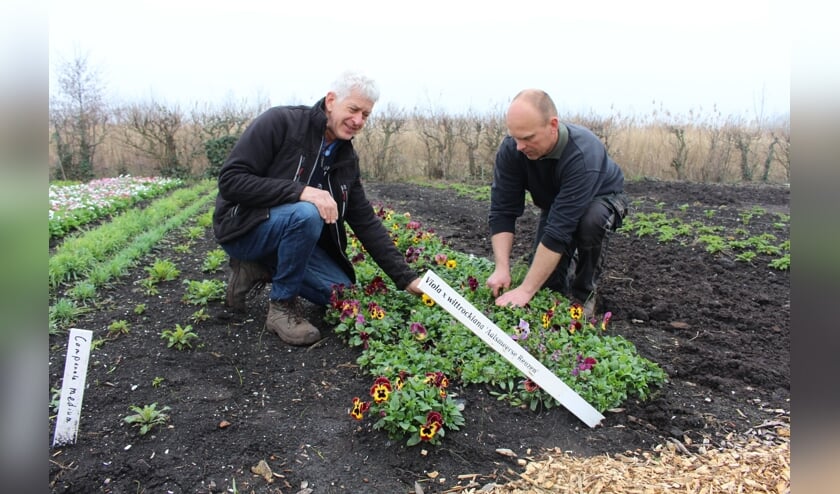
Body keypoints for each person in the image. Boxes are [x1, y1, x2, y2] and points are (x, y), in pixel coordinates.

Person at [213, 70, 423, 346]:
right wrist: (302, 191)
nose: (358, 120)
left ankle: (258, 268)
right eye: (353, 109)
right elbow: (230, 181)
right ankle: (282, 307)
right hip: (245, 229)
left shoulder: (346, 159)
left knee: (342, 296)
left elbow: (365, 221)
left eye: (366, 115)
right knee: (306, 212)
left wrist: (406, 278)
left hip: (291, 236)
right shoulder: (281, 122)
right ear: (331, 100)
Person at [486, 89, 628, 317]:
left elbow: (559, 230)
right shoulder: (512, 150)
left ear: (553, 125)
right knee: (547, 283)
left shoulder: (583, 154)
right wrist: (502, 268)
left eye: (528, 138)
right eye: (515, 137)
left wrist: (525, 290)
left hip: (602, 198)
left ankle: (584, 293)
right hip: (556, 202)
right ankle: (562, 275)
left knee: (589, 222)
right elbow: (502, 210)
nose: (520, 146)